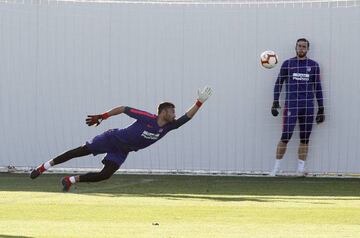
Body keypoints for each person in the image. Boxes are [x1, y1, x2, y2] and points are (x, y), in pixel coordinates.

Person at [30, 86, 213, 191]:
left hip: (122, 150)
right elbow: (124, 108)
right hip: (112, 138)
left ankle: (70, 180)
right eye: (172, 111)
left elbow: (186, 118)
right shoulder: (147, 118)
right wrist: (103, 116)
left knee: (105, 175)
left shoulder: (169, 127)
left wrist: (199, 102)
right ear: (163, 112)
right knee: (80, 151)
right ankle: (44, 166)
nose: (175, 114)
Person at [270, 38, 325, 176]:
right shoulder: (288, 64)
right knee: (285, 136)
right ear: (295, 48)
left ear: (308, 49)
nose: (301, 49)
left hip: (307, 107)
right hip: (291, 106)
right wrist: (275, 101)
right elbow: (278, 83)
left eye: (304, 47)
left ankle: (300, 169)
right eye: (299, 46)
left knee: (305, 138)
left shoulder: (314, 65)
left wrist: (321, 108)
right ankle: (276, 168)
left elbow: (317, 87)